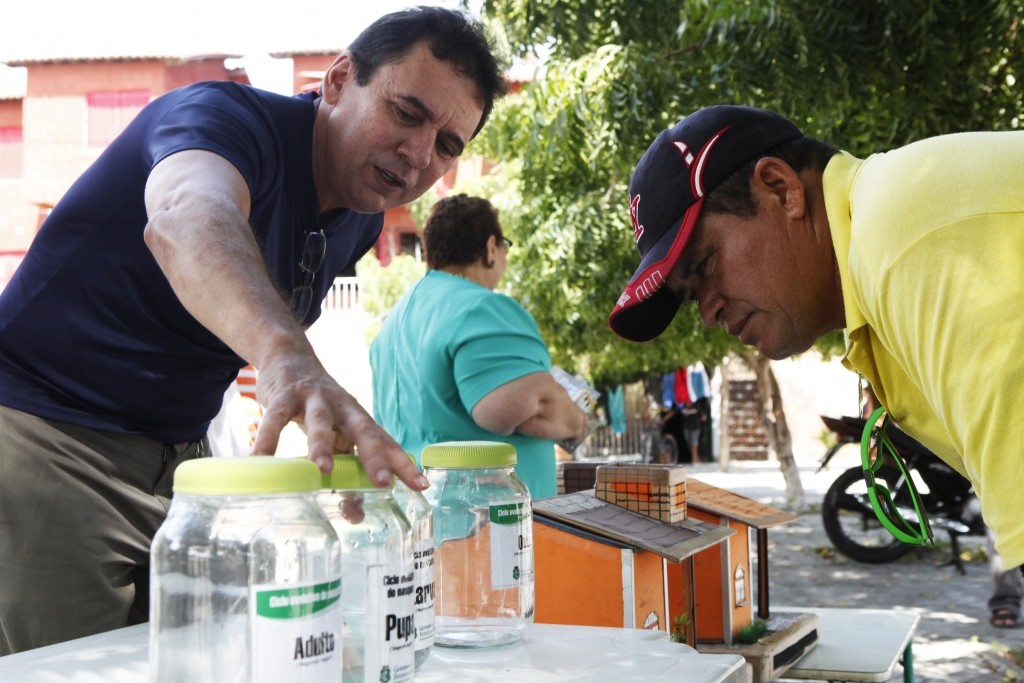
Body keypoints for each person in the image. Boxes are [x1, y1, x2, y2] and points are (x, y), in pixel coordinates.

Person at [0, 6, 507, 655]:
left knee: (210, 661)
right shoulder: (223, 121)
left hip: (187, 466)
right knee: (79, 667)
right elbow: (188, 217)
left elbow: (262, 313)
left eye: (447, 144)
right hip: (46, 437)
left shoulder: (361, 218)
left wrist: (339, 442)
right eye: (406, 112)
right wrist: (284, 353)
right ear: (338, 78)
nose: (417, 155)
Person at [607, 104, 1024, 569]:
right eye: (690, 298)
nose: (708, 312)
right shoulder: (880, 241)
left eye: (703, 266)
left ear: (781, 190)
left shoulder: (901, 239)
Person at [369, 194, 589, 499]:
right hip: (489, 528)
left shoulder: (393, 324)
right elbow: (532, 406)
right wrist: (577, 422)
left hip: (417, 514)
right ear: (491, 249)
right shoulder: (481, 308)